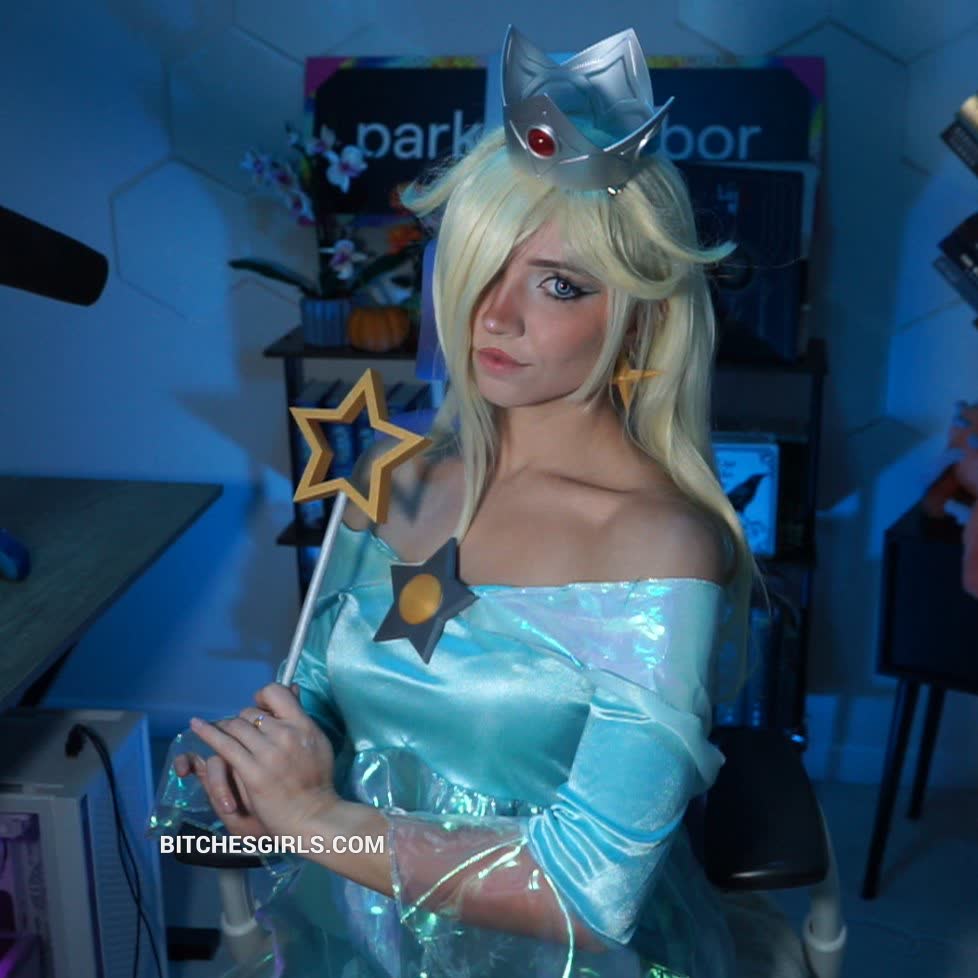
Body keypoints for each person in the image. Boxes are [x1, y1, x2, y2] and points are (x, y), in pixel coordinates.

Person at [151, 26, 810, 978]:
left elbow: (590, 897)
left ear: (640, 316)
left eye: (558, 285)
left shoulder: (658, 545)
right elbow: (321, 705)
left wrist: (314, 817)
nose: (495, 315)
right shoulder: (395, 473)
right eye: (481, 266)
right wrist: (254, 777)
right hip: (350, 941)